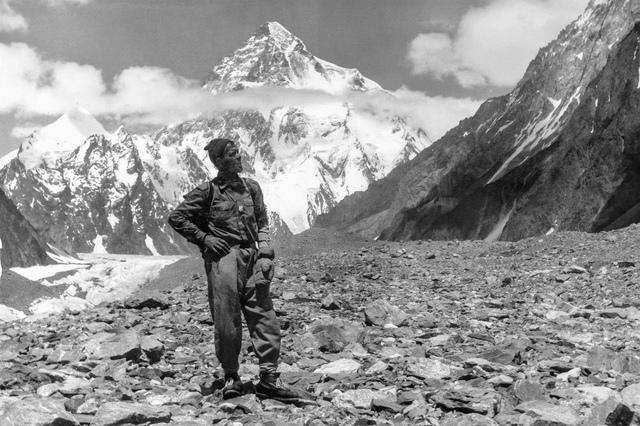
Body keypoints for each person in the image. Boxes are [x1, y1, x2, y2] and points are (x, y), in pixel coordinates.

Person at [168, 138, 298, 402]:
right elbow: (176, 217)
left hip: (253, 258)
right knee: (226, 320)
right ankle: (231, 377)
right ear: (219, 161)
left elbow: (262, 221)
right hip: (223, 259)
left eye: (238, 152)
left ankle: (269, 379)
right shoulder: (208, 191)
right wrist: (205, 239)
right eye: (232, 153)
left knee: (264, 315)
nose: (239, 156)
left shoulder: (252, 187)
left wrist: (265, 253)